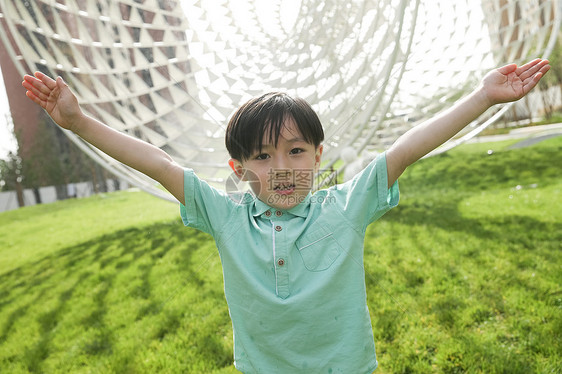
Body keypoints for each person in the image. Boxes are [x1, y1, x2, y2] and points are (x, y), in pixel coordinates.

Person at [22, 58, 550, 373]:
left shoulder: (345, 206)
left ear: (319, 156)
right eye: (262, 156)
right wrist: (79, 122)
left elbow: (408, 148)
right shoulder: (225, 218)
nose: (281, 170)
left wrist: (484, 97)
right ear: (238, 168)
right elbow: (159, 163)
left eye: (296, 152)